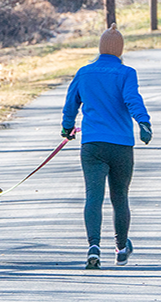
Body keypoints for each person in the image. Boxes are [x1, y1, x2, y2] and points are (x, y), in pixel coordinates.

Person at [62, 24, 152, 269]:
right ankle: (121, 248)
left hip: (92, 144)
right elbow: (133, 99)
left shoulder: (84, 72)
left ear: (100, 48)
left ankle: (93, 246)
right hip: (121, 145)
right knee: (119, 197)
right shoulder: (126, 73)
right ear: (120, 50)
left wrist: (66, 127)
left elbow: (71, 103)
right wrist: (143, 123)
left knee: (93, 196)